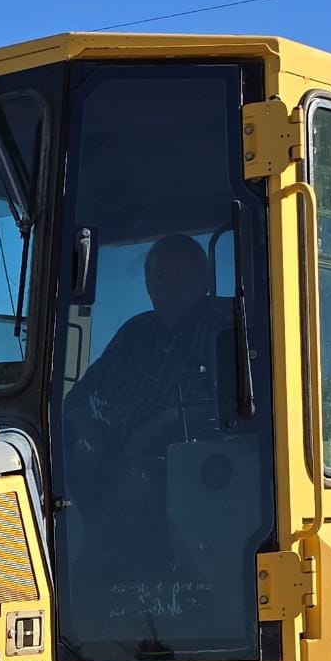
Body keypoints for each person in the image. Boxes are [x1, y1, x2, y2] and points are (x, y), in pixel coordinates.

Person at [62, 234, 229, 549]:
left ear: (204, 280)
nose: (166, 285)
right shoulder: (135, 332)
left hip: (182, 464)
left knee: (132, 490)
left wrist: (157, 426)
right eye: (159, 277)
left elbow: (233, 403)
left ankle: (99, 566)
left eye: (178, 276)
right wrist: (89, 434)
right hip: (109, 458)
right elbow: (79, 396)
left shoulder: (225, 327)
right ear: (148, 285)